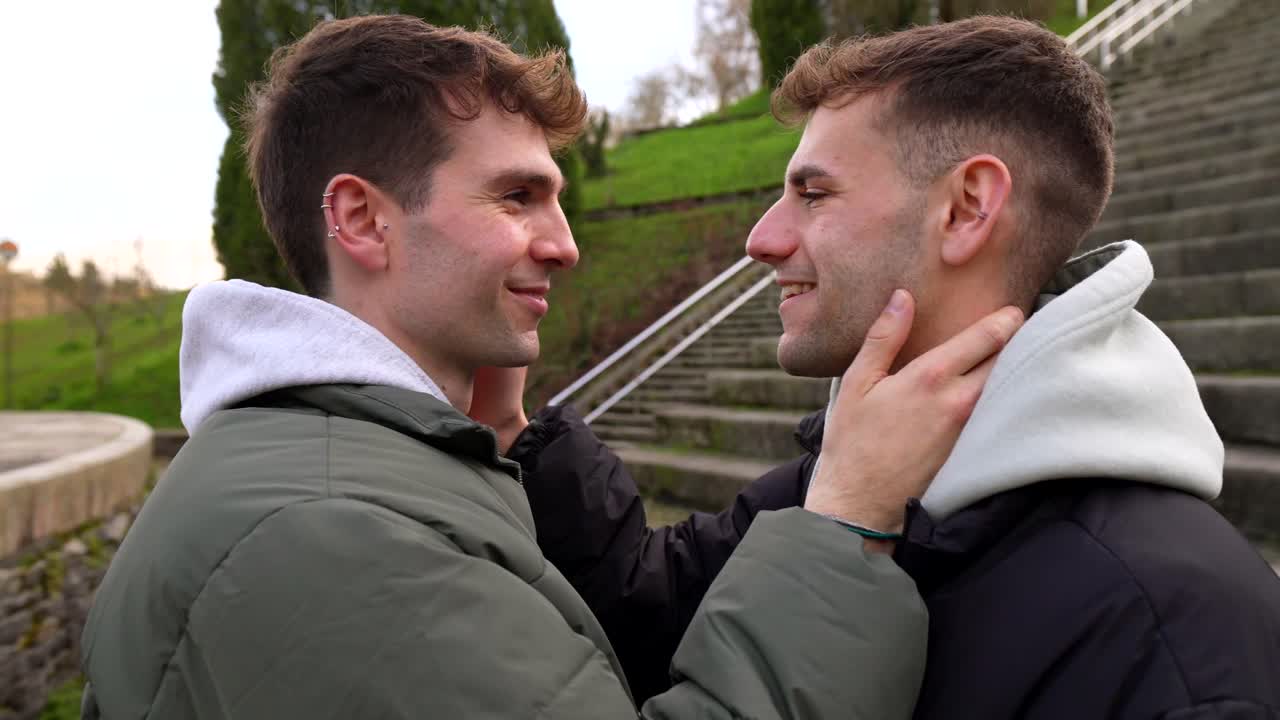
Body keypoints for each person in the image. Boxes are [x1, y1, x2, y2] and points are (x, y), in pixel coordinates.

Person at [78, 15, 1026, 719]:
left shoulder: (342, 466)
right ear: (363, 220)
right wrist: (848, 516)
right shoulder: (331, 536)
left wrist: (500, 440)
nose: (565, 244)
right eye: (517, 197)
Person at [509, 15, 1280, 717]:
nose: (762, 239)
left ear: (968, 208)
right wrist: (505, 415)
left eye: (813, 193)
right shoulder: (846, 477)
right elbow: (650, 614)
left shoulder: (1171, 634)